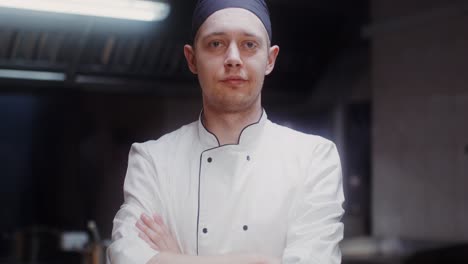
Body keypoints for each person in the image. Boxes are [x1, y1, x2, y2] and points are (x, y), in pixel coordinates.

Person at [107, 0, 345, 263]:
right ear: (192, 58)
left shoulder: (314, 157)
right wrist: (258, 261)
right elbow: (125, 257)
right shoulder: (152, 160)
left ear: (270, 59)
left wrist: (173, 258)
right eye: (216, 44)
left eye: (249, 45)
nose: (233, 58)